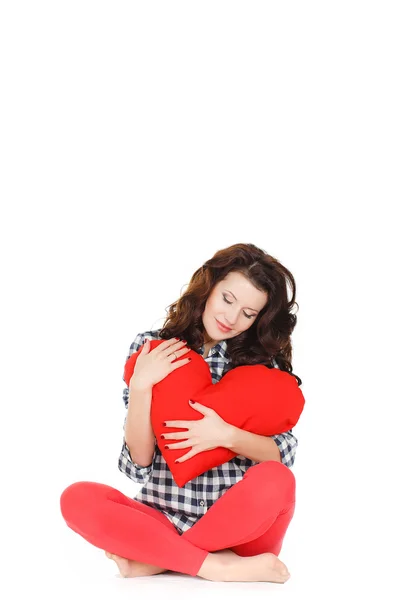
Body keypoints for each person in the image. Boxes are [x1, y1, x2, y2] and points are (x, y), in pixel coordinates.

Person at [60, 242, 302, 583]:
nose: (231, 318)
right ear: (208, 288)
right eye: (227, 299)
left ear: (260, 318)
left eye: (248, 313)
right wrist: (142, 386)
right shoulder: (152, 348)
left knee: (279, 481)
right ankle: (217, 566)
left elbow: (281, 455)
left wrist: (225, 435)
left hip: (242, 531)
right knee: (77, 499)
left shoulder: (265, 367)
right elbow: (139, 460)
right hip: (163, 516)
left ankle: (162, 558)